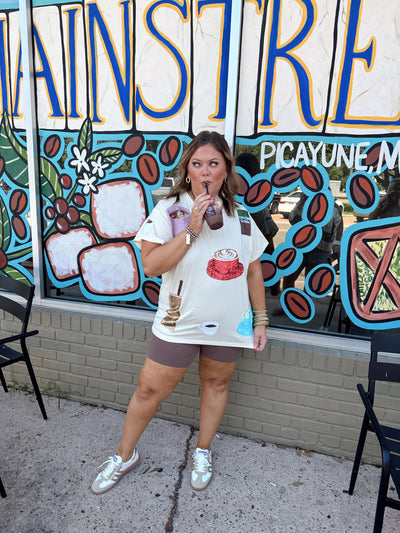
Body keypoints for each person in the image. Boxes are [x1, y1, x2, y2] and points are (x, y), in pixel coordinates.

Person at [91, 131, 269, 495]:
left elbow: (253, 271)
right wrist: (191, 228)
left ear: (226, 171)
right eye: (198, 163)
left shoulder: (244, 218)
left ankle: (202, 452)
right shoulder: (168, 211)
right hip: (177, 321)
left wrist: (261, 319)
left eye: (213, 163)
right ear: (188, 169)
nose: (205, 170)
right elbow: (153, 265)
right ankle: (125, 455)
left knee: (217, 383)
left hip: (227, 322)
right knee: (147, 391)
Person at [272, 191, 343, 315]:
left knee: (311, 281)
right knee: (289, 275)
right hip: (300, 247)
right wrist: (301, 202)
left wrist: (337, 244)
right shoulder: (306, 202)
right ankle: (287, 306)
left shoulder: (335, 206)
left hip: (321, 249)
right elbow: (293, 219)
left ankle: (302, 308)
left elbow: (339, 227)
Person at [235, 152, 280, 295]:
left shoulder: (227, 198)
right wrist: (275, 282)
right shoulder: (257, 205)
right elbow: (268, 243)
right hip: (250, 267)